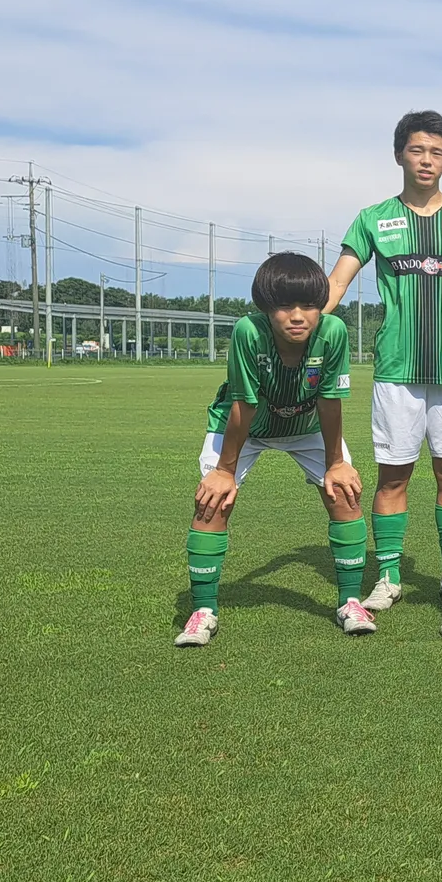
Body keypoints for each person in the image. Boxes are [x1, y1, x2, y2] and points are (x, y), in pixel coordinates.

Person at [325, 111, 442, 620]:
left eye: (437, 152)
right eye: (418, 150)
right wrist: (309, 317)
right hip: (397, 371)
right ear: (399, 154)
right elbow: (338, 281)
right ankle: (389, 576)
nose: (427, 160)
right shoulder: (373, 218)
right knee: (393, 475)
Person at [178, 252, 368, 645]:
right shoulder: (248, 332)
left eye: (308, 305)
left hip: (306, 425)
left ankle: (350, 602)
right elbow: (243, 404)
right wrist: (225, 471)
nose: (297, 316)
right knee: (213, 502)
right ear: (266, 307)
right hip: (244, 427)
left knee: (344, 494)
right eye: (284, 306)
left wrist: (336, 463)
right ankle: (203, 611)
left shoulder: (333, 332)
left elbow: (330, 400)